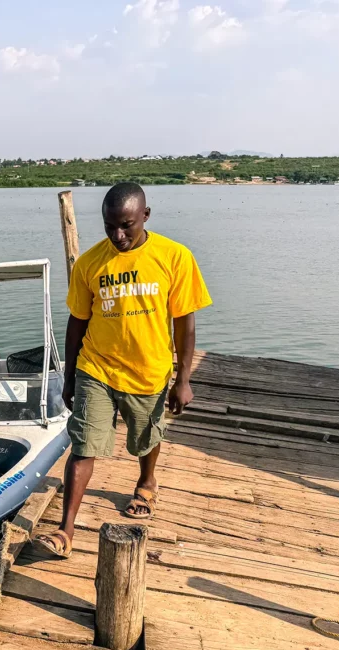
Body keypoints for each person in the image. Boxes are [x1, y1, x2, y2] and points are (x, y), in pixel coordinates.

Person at [35, 182, 212, 558]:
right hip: (96, 368)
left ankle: (147, 483)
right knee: (83, 445)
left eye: (126, 225)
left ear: (145, 216)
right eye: (109, 226)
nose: (117, 235)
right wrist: (70, 376)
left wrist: (183, 379)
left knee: (145, 439)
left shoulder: (174, 257)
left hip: (148, 370)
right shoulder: (90, 263)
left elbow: (185, 324)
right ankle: (65, 530)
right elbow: (77, 322)